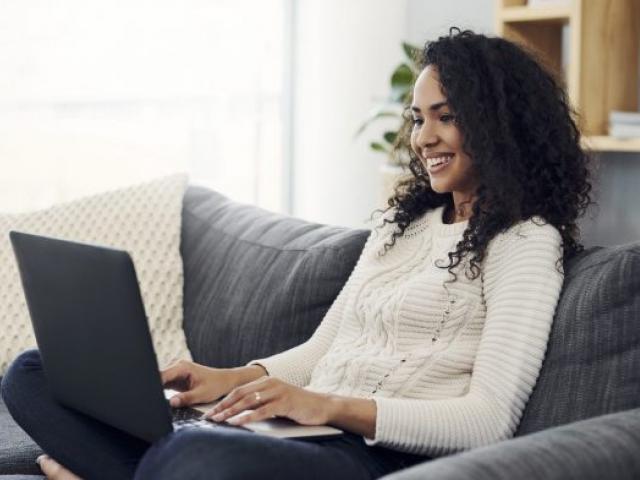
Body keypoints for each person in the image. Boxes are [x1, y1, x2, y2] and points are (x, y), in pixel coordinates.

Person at [1, 27, 594, 480]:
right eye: (418, 119)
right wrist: (231, 379)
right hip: (296, 434)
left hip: (366, 455)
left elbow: (489, 419)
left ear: (500, 125)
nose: (423, 138)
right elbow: (321, 350)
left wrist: (325, 407)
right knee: (32, 372)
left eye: (447, 117)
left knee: (195, 450)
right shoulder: (401, 224)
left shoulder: (524, 241)